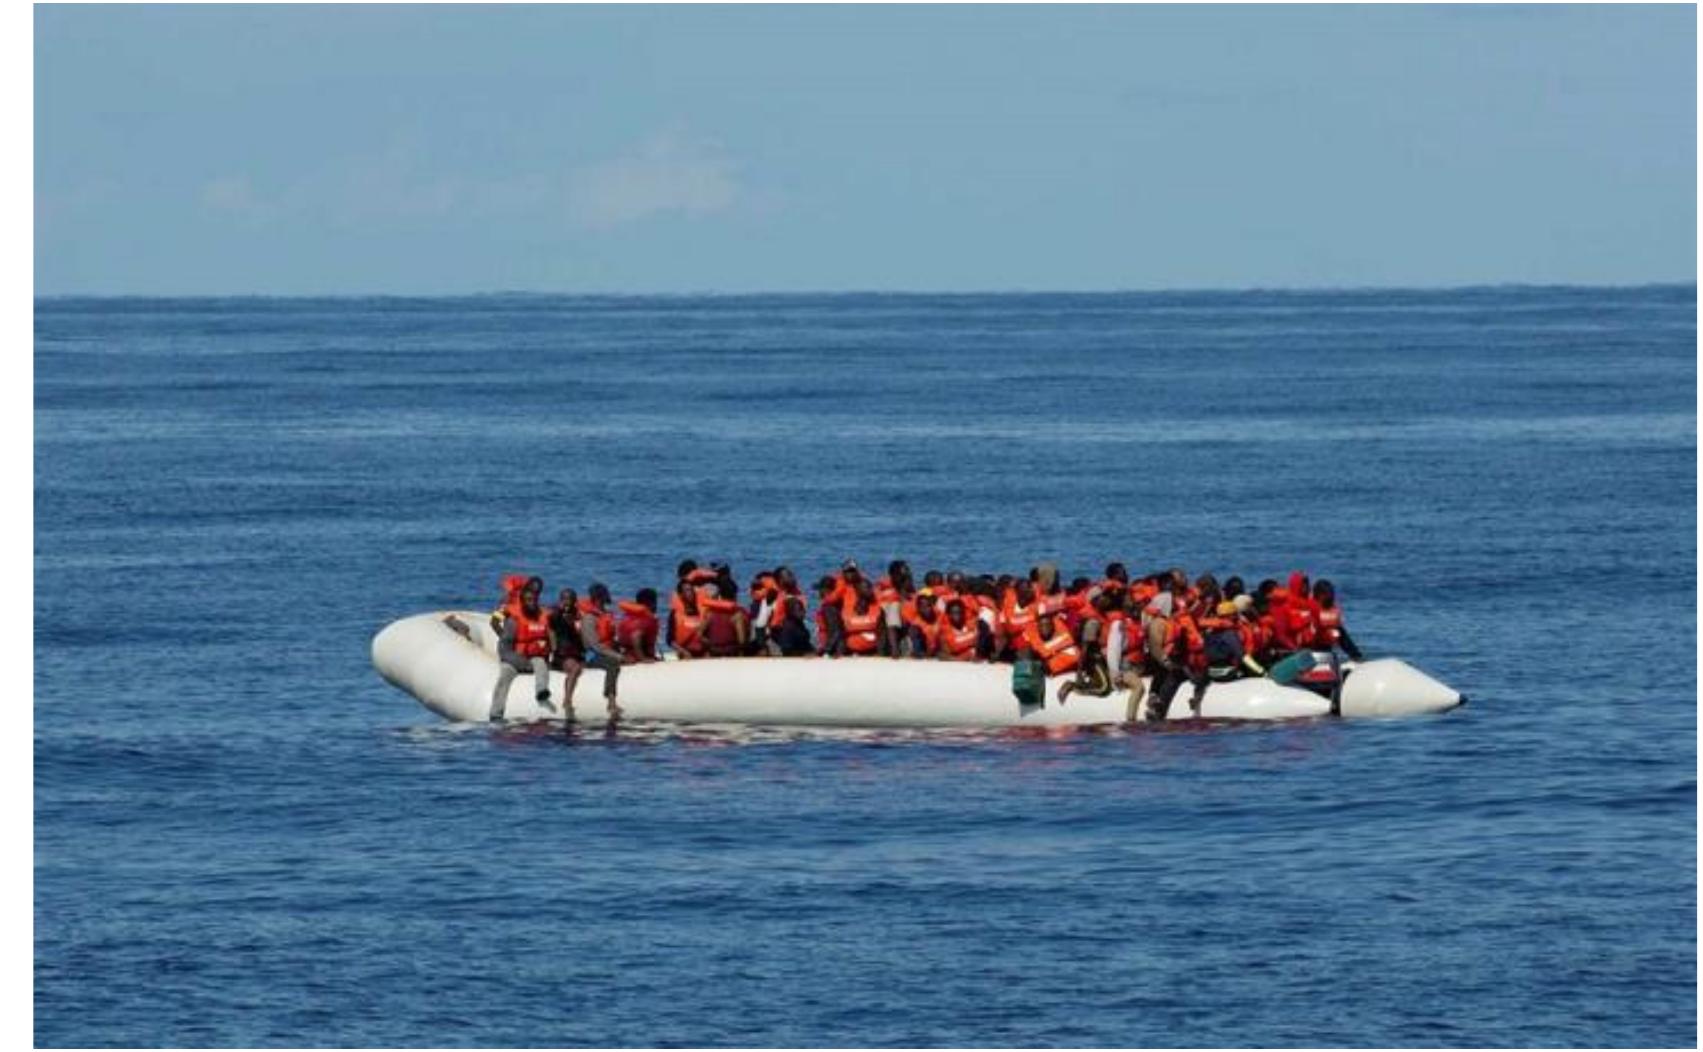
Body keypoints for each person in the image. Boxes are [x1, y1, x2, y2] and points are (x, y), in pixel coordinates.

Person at [490, 576, 555, 721]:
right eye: (532, 593)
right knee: (504, 676)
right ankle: (495, 714)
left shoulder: (542, 613)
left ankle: (542, 691)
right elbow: (494, 622)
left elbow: (550, 634)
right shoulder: (509, 609)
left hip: (533, 655)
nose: (533, 598)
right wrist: (505, 638)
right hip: (513, 652)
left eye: (537, 594)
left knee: (540, 663)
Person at [578, 583, 624, 719]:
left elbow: (613, 639)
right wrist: (617, 656)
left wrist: (622, 652)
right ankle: (611, 702)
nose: (602, 600)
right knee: (612, 664)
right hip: (591, 656)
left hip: (607, 651)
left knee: (620, 659)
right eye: (600, 598)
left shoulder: (606, 616)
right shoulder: (589, 618)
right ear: (595, 599)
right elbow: (594, 645)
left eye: (603, 597)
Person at [548, 587, 586, 720]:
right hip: (562, 656)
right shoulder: (555, 615)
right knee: (575, 669)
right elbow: (553, 621)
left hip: (576, 654)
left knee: (580, 665)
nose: (566, 602)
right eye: (564, 599)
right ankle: (567, 700)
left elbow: (582, 637)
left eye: (569, 599)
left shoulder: (579, 616)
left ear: (575, 601)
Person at [1312, 579, 1364, 661]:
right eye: (1330, 594)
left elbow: (1340, 636)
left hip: (1326, 651)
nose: (1332, 597)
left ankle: (1356, 656)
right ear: (1320, 595)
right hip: (1309, 651)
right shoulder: (1309, 608)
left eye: (1332, 594)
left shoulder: (1332, 610)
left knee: (1338, 632)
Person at [1022, 612, 1081, 680]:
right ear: (1038, 628)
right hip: (1051, 677)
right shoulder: (1034, 640)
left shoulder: (1063, 633)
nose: (1045, 627)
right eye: (1041, 625)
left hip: (1072, 672)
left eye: (1048, 624)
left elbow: (1077, 657)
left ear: (1053, 625)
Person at [840, 578, 884, 655]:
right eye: (867, 588)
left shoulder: (878, 608)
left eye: (871, 587)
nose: (871, 591)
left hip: (873, 649)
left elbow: (881, 632)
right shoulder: (847, 609)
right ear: (858, 591)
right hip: (852, 649)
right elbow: (843, 631)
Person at [616, 589, 661, 662]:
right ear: (651, 603)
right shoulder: (645, 618)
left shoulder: (631, 615)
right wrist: (642, 658)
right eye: (655, 601)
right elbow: (635, 637)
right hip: (635, 657)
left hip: (627, 653)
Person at [669, 579, 706, 658]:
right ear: (681, 595)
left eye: (692, 590)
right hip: (685, 652)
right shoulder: (675, 614)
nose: (691, 593)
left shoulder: (702, 611)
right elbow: (670, 640)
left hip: (703, 651)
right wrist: (683, 651)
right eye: (687, 590)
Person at [904, 590, 944, 658]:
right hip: (925, 649)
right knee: (915, 630)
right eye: (923, 607)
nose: (927, 609)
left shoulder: (939, 614)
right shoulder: (916, 623)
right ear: (919, 609)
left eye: (928, 605)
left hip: (939, 649)